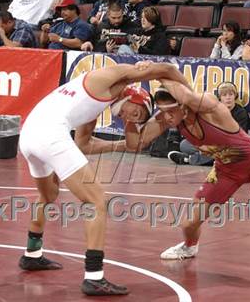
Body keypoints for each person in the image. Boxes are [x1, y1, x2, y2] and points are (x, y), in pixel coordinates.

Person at [123, 62, 250, 286]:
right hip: (226, 169)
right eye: (162, 112)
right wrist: (128, 115)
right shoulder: (168, 117)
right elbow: (135, 144)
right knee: (189, 223)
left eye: (171, 111)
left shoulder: (211, 106)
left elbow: (190, 97)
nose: (167, 118)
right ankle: (190, 246)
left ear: (183, 105)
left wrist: (159, 74)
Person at [18, 61, 191, 295]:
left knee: (48, 194)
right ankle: (94, 277)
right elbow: (167, 69)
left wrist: (121, 146)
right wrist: (189, 96)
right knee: (96, 200)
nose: (130, 117)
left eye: (137, 119)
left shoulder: (96, 104)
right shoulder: (112, 75)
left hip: (30, 133)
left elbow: (82, 144)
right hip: (47, 133)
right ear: (133, 96)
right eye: (137, 112)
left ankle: (32, 253)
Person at [168, 82, 249, 165]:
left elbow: (238, 136)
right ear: (220, 97)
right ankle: (212, 158)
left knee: (229, 152)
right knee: (184, 144)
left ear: (235, 96)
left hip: (229, 145)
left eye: (231, 94)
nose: (228, 98)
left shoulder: (240, 112)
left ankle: (188, 159)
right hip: (213, 143)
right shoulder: (216, 110)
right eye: (224, 95)